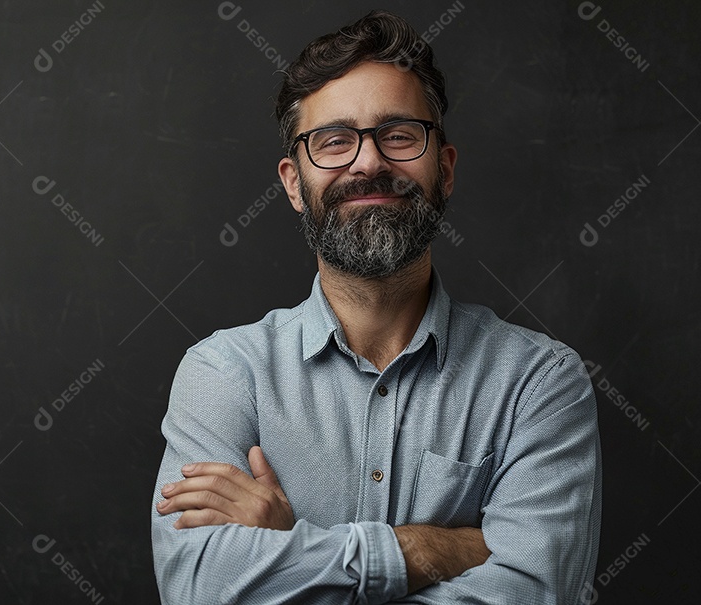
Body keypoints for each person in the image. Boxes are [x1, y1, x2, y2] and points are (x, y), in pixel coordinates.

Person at [150, 9, 601, 604]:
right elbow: (202, 589)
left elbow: (539, 592)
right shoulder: (222, 373)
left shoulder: (539, 383)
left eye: (398, 134)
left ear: (444, 169)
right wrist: (436, 547)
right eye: (333, 140)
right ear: (292, 182)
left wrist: (290, 546)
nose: (368, 162)